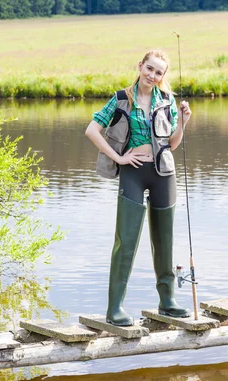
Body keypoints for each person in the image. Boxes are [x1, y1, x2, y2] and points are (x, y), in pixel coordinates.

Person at [84, 49, 193, 326]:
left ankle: (167, 302)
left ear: (162, 77)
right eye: (150, 68)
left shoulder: (167, 100)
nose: (152, 75)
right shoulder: (122, 98)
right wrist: (119, 157)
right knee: (126, 241)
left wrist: (182, 124)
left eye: (159, 72)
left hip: (163, 173)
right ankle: (115, 308)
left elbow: (172, 143)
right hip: (132, 172)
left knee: (164, 240)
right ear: (140, 66)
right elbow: (92, 130)